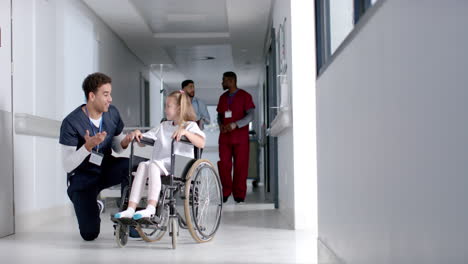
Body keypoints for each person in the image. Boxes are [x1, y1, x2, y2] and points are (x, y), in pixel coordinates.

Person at [59, 72, 137, 241]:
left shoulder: (112, 113)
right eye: (106, 94)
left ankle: (127, 217)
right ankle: (95, 205)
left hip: (106, 168)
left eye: (110, 94)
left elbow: (117, 145)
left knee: (132, 166)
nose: (110, 99)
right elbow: (67, 165)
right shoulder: (71, 123)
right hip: (83, 176)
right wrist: (88, 146)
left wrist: (126, 141)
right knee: (89, 234)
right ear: (92, 96)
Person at [114, 90, 205, 220]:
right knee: (143, 165)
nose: (165, 109)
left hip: (180, 165)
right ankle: (130, 208)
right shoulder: (164, 126)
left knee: (153, 165)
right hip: (160, 163)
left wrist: (185, 133)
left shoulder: (190, 125)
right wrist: (137, 134)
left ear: (179, 108)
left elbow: (201, 143)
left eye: (168, 106)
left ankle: (151, 208)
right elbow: (143, 140)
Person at [216, 71, 255, 203]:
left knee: (241, 166)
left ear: (232, 81)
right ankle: (226, 191)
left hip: (240, 138)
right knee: (224, 165)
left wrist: (236, 124)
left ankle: (239, 194)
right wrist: (221, 124)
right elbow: (220, 115)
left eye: (224, 80)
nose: (222, 83)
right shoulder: (222, 98)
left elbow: (250, 116)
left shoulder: (245, 96)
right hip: (225, 138)